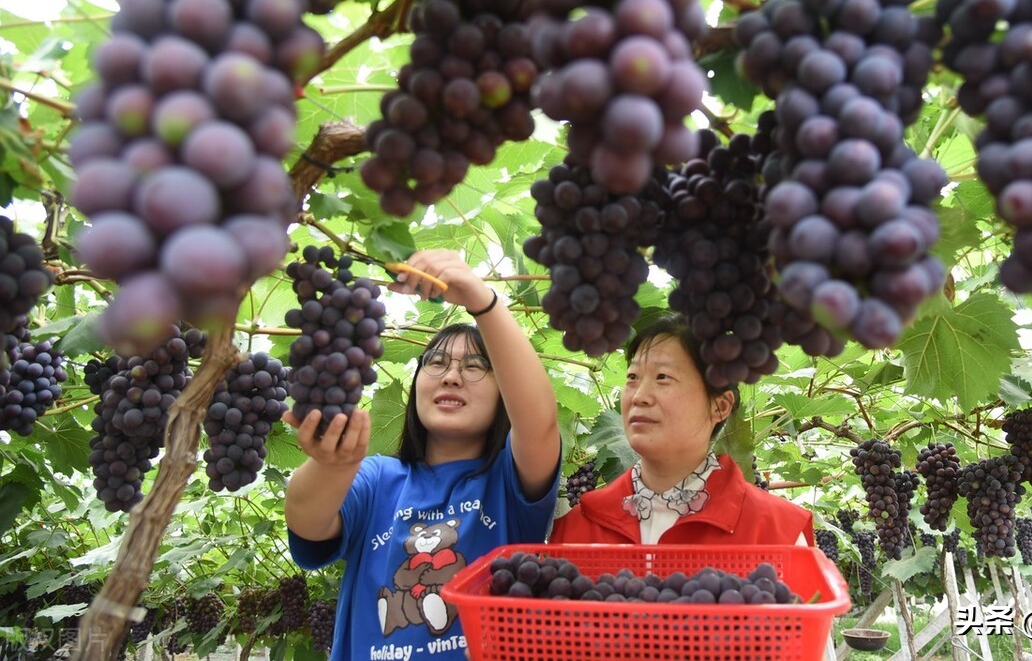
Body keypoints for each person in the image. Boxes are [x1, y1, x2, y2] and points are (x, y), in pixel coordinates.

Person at [284, 249, 561, 661]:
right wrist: (330, 466)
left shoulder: (508, 484)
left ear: (504, 393)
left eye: (474, 366)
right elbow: (307, 520)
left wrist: (481, 301)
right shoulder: (378, 479)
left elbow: (539, 422)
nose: (451, 375)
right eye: (436, 363)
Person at [550, 313, 814, 546]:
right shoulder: (576, 531)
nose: (639, 396)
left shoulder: (778, 534)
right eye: (633, 377)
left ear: (720, 406)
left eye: (662, 377)